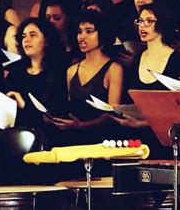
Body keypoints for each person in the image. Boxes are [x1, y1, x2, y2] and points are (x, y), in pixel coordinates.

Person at [112, 3, 180, 158]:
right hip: (138, 140)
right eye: (140, 21)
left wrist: (142, 124)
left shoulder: (178, 60)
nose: (143, 26)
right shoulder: (138, 58)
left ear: (161, 23)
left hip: (167, 140)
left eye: (149, 21)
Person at [46, 10, 123, 146]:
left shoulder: (114, 69)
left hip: (103, 141)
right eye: (79, 31)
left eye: (89, 31)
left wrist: (82, 125)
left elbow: (113, 113)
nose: (82, 36)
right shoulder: (71, 70)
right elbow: (71, 108)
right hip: (74, 139)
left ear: (102, 33)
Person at [5, 18, 67, 142]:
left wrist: (24, 105)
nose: (26, 40)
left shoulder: (58, 71)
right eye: (23, 36)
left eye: (33, 35)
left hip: (48, 137)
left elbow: (54, 116)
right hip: (16, 134)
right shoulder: (16, 70)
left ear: (47, 40)